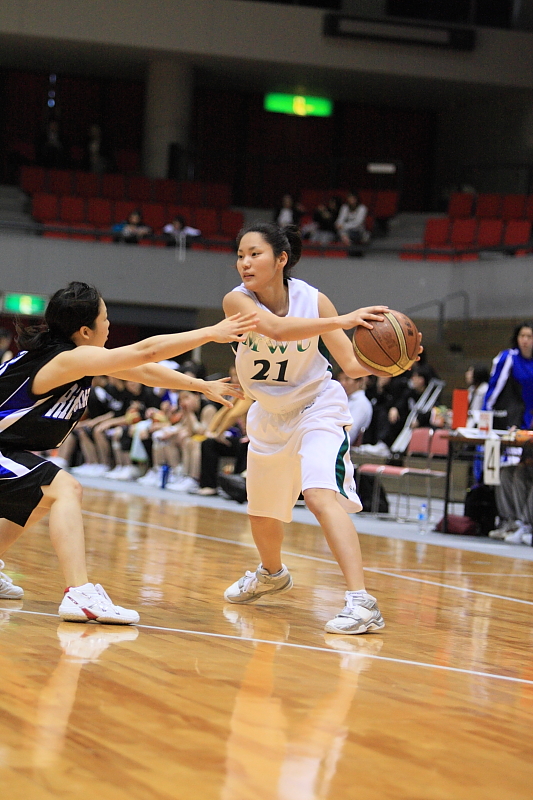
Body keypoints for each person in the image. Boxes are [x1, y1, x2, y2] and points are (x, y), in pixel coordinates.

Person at [0, 281, 257, 618]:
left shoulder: (75, 359)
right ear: (85, 330)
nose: (109, 324)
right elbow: (146, 351)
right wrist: (211, 332)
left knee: (39, 495)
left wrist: (199, 385)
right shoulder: (66, 360)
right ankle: (78, 594)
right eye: (105, 318)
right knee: (64, 488)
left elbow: (145, 370)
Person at [221, 222, 417, 634]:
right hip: (269, 416)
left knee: (319, 494)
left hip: (317, 408)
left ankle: (362, 602)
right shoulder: (236, 301)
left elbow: (350, 365)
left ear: (281, 259)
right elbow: (273, 330)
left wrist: (396, 363)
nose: (244, 263)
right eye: (240, 255)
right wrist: (343, 320)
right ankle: (271, 574)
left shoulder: (315, 300)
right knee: (262, 517)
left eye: (254, 254)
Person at [484, 322, 533, 543]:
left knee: (522, 471)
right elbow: (495, 388)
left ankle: (525, 523)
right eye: (523, 335)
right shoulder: (509, 358)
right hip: (513, 421)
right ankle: (510, 521)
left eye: (530, 336)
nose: (526, 340)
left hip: (528, 422)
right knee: (505, 470)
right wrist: (485, 415)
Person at [336, 372, 373, 446]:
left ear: (358, 382)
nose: (342, 383)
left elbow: (350, 432)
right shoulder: (342, 400)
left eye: (347, 379)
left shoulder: (361, 403)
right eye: (340, 379)